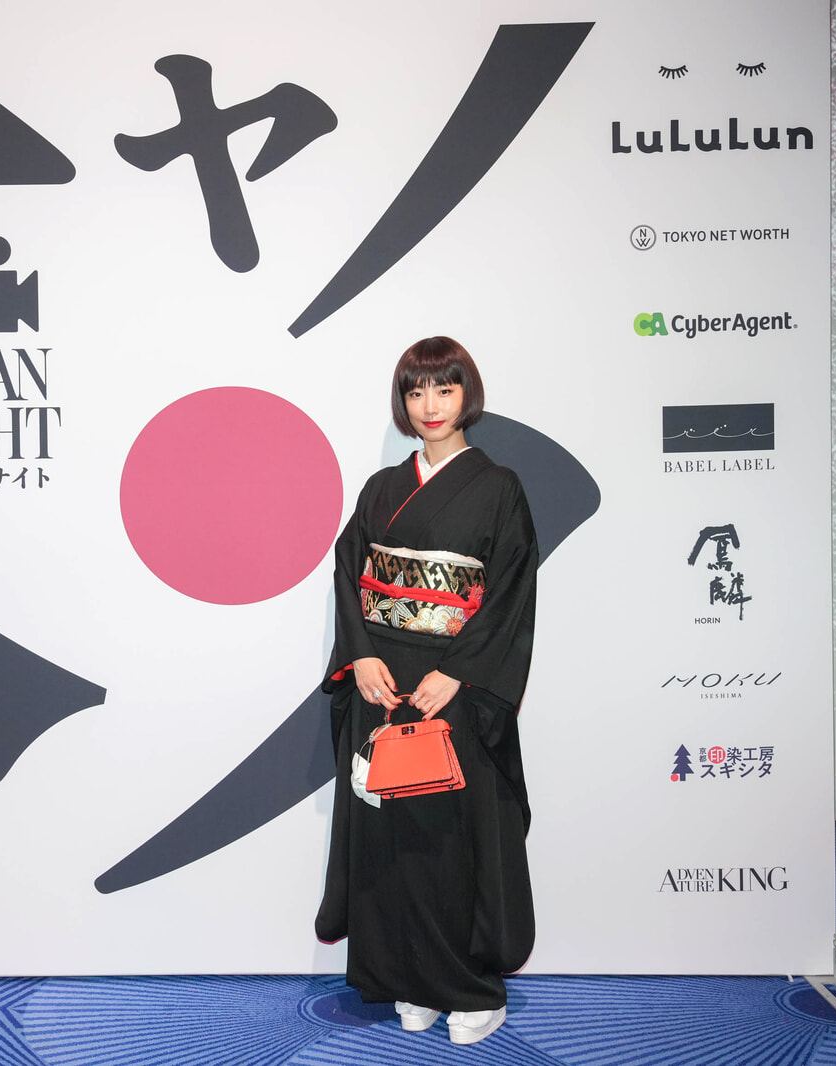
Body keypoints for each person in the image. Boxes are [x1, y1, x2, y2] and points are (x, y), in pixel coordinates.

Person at [316, 336, 537, 1047]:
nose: (430, 405)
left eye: (444, 388)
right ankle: (405, 979)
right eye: (416, 391)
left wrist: (461, 670)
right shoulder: (381, 488)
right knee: (389, 839)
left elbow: (510, 592)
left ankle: (470, 989)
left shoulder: (499, 487)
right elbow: (349, 575)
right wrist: (360, 656)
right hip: (382, 683)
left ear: (467, 394)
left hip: (453, 688)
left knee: (450, 839)